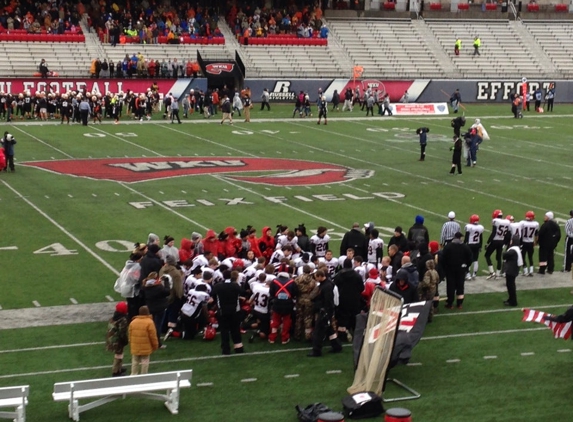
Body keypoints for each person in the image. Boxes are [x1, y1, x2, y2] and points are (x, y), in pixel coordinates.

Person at [308, 270, 342, 357]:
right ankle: (336, 346)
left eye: (316, 277)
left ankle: (316, 350)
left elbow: (328, 301)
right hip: (326, 311)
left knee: (318, 331)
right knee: (329, 330)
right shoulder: (326, 284)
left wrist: (326, 312)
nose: (315, 279)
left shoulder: (326, 286)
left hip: (324, 312)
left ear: (320, 276)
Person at [211, 270, 245, 354]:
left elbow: (213, 295)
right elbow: (242, 292)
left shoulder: (218, 286)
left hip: (222, 312)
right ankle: (238, 347)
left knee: (224, 331)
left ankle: (226, 349)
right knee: (235, 329)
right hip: (235, 311)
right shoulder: (235, 285)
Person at [334, 259, 364, 342]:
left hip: (342, 300)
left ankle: (343, 336)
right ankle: (357, 335)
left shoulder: (339, 275)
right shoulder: (357, 276)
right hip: (355, 300)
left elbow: (335, 288)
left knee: (343, 318)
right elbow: (361, 288)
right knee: (355, 318)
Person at [441, 232, 473, 309]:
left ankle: (450, 303)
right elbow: (470, 258)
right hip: (461, 269)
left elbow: (443, 258)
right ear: (460, 238)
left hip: (450, 269)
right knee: (460, 286)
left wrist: (445, 268)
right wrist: (466, 266)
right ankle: (459, 303)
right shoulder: (465, 247)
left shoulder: (448, 246)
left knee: (450, 286)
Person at [268, 271, 298, 344]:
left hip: (277, 303)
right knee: (286, 321)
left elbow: (271, 293)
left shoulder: (274, 281)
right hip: (288, 304)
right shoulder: (292, 282)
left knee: (275, 320)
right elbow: (295, 293)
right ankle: (284, 338)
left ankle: (272, 337)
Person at [128, 305, 159, 375]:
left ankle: (133, 374)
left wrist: (132, 344)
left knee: (135, 361)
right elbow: (153, 336)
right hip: (146, 347)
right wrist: (155, 345)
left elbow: (130, 335)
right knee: (145, 361)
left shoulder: (133, 322)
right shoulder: (150, 322)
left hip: (135, 346)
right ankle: (144, 375)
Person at [485, 210, 510, 280]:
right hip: (501, 241)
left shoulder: (496, 221)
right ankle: (498, 274)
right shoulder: (507, 222)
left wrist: (488, 242)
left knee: (487, 255)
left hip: (495, 241)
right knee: (499, 258)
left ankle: (491, 272)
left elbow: (493, 233)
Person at [106, 302, 129, 377]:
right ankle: (116, 371)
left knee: (119, 354)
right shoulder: (122, 320)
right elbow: (122, 332)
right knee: (118, 355)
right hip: (117, 340)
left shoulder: (114, 317)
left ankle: (119, 368)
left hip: (111, 339)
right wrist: (125, 340)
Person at [503, 235, 522, 307]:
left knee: (510, 286)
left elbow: (506, 255)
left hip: (511, 270)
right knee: (510, 285)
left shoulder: (513, 249)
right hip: (513, 269)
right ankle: (511, 299)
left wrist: (503, 253)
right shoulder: (517, 248)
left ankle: (513, 301)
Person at [464, 214, 484, 280]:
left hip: (470, 245)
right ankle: (474, 274)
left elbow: (466, 237)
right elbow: (481, 237)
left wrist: (464, 244)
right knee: (475, 260)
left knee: (468, 259)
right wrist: (480, 246)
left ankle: (468, 274)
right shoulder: (480, 227)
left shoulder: (469, 227)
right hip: (477, 244)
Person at [521, 210, 539, 277]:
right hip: (531, 242)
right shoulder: (536, 224)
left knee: (522, 257)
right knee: (530, 257)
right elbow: (537, 235)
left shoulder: (522, 223)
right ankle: (531, 271)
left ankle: (525, 271)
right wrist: (536, 242)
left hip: (524, 242)